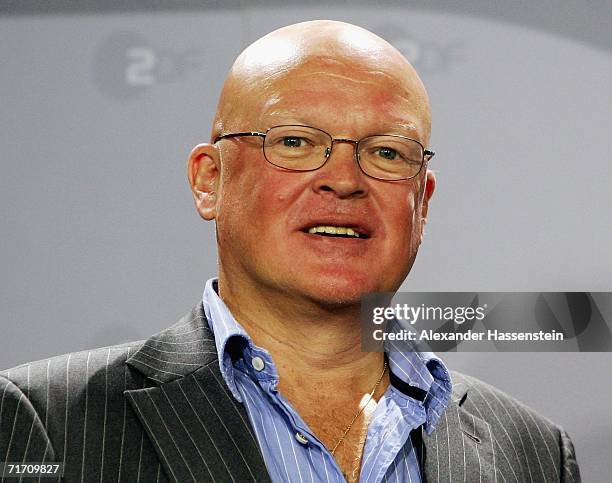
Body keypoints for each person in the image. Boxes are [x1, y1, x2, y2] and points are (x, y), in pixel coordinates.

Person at [0, 20, 580, 483]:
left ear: (421, 203)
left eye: (386, 152)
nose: (345, 180)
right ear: (210, 180)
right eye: (296, 142)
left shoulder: (534, 454)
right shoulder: (49, 421)